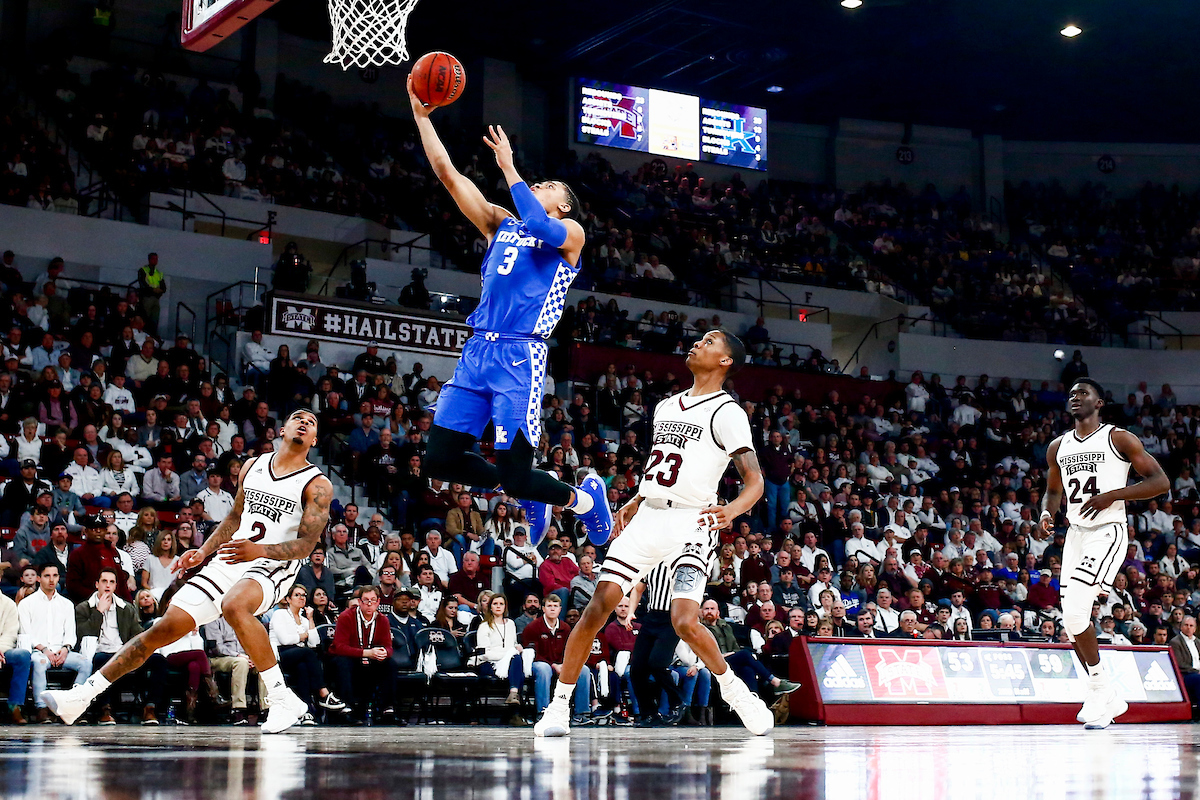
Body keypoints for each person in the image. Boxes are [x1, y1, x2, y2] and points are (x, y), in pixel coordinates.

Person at [535, 329, 778, 738]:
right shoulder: (666, 405)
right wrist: (634, 499)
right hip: (648, 515)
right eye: (699, 338)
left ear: (725, 361)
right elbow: (663, 464)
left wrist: (732, 510)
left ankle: (737, 693)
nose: (698, 343)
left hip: (692, 523)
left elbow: (755, 479)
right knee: (598, 606)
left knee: (684, 622)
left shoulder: (727, 412)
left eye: (709, 341)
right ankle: (558, 708)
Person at [407, 77, 611, 547]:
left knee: (519, 474)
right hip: (478, 351)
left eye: (550, 185)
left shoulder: (571, 234)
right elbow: (448, 174)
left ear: (563, 204)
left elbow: (539, 222)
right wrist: (422, 117)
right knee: (438, 459)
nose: (540, 185)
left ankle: (584, 501)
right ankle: (524, 489)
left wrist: (510, 168)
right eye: (536, 182)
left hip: (521, 357)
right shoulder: (501, 223)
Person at [41, 410, 334, 735]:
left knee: (234, 606)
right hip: (231, 557)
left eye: (311, 422)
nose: (304, 422)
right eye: (298, 418)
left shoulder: (317, 484)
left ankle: (282, 699)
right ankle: (82, 696)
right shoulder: (253, 465)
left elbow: (307, 545)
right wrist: (203, 551)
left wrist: (260, 550)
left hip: (274, 562)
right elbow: (234, 518)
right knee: (161, 630)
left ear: (314, 439)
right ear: (283, 428)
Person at [1042, 378, 1169, 729]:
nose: (1075, 398)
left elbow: (1160, 481)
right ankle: (1105, 694)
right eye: (1072, 394)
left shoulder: (1119, 438)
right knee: (1070, 618)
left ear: (1099, 402)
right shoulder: (1058, 446)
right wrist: (1046, 514)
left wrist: (1114, 495)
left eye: (1083, 393)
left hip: (1107, 532)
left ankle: (1100, 689)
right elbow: (1053, 491)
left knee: (1079, 605)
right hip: (1076, 535)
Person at [76, 567, 168, 725]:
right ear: (97, 584)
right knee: (101, 659)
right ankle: (105, 709)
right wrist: (99, 612)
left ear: (115, 586)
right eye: (104, 581)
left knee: (159, 660)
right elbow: (83, 635)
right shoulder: (83, 608)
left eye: (111, 582)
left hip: (125, 653)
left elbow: (138, 634)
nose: (107, 586)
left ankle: (149, 707)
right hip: (100, 652)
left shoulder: (126, 608)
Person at [19, 563, 93, 722]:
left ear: (59, 578)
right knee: (39, 662)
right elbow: (26, 633)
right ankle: (42, 708)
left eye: (55, 576)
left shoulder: (67, 604)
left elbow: (71, 633)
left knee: (86, 663)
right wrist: (45, 649)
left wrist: (65, 649)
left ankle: (73, 705)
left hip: (62, 651)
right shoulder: (27, 603)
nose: (51, 580)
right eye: (47, 576)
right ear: (39, 578)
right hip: (39, 651)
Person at [269, 584, 346, 725]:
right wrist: (303, 635)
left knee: (303, 667)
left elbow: (314, 642)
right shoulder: (279, 614)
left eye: (304, 595)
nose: (301, 598)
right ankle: (324, 693)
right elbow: (285, 640)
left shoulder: (304, 620)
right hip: (281, 654)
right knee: (307, 653)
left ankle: (306, 712)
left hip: (300, 656)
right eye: (297, 595)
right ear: (288, 599)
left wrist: (310, 619)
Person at [328, 585, 396, 724]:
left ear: (378, 602)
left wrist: (384, 653)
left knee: (390, 664)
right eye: (366, 600)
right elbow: (339, 647)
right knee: (343, 662)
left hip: (370, 659)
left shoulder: (383, 619)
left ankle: (387, 709)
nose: (369, 604)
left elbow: (388, 647)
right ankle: (347, 709)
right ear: (359, 602)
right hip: (349, 658)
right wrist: (366, 652)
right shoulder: (346, 616)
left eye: (373, 600)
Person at [0, 590, 32, 723]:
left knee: (22, 655)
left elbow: (11, 633)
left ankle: (15, 706)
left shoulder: (8, 604)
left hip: (2, 649)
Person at [1169, 615, 1200, 707]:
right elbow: (1179, 664)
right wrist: (1197, 671)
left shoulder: (1198, 642)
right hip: (1185, 675)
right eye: (1186, 625)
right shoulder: (1175, 642)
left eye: (1191, 626)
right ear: (1181, 627)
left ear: (1195, 629)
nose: (1188, 628)